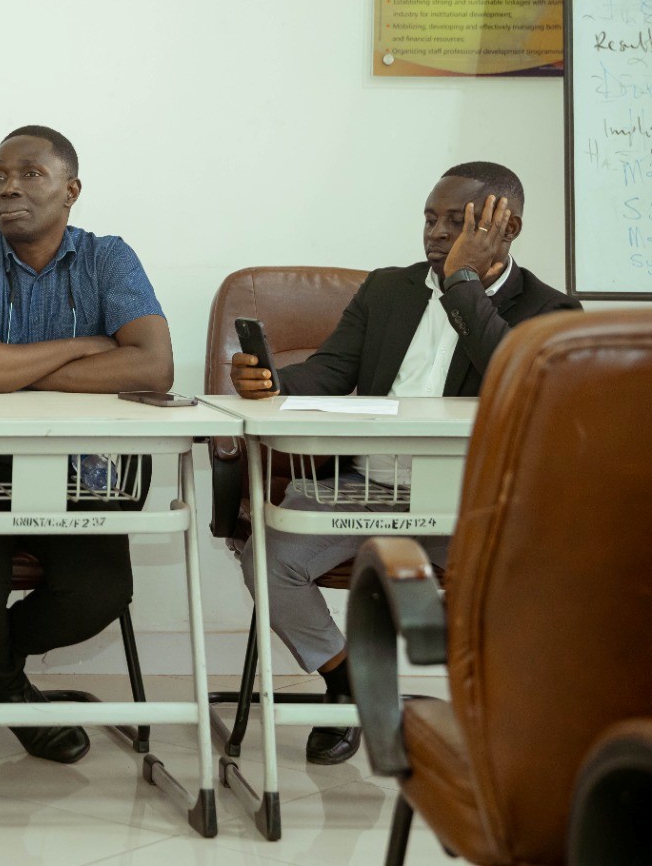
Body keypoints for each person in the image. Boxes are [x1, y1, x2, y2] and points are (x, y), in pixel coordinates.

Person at [229, 160, 581, 764]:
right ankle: (349, 682)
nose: (437, 233)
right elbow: (332, 371)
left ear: (508, 227)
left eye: (457, 221)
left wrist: (462, 281)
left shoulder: (551, 311)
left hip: (465, 509)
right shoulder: (388, 287)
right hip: (369, 485)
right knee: (267, 551)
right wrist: (274, 381)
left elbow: (510, 380)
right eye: (430, 218)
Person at [0, 124, 173, 764]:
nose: (9, 189)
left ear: (71, 189)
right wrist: (89, 346)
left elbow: (153, 367)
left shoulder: (107, 259)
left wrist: (2, 363)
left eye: (30, 175)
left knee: (100, 595)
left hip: (81, 474)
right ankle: (11, 694)